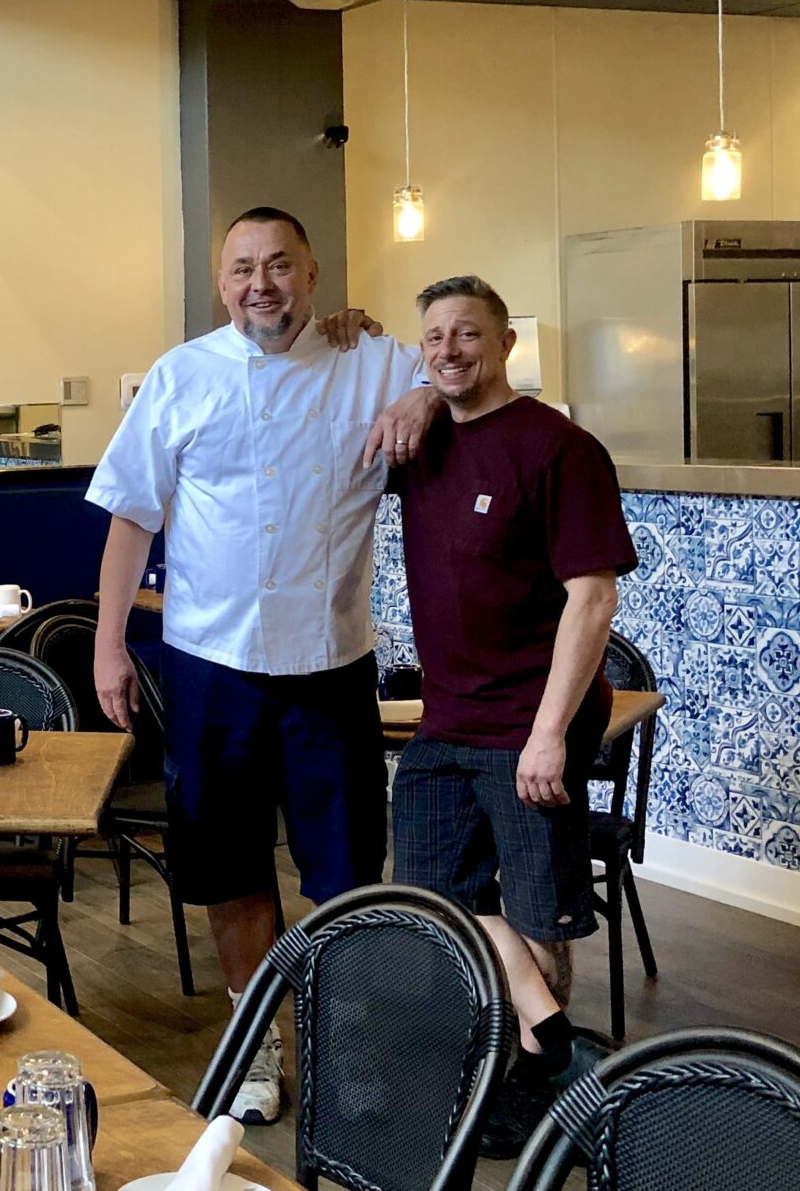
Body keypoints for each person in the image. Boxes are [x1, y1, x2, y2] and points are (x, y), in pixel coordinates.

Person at [87, 206, 439, 1124]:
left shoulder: (374, 363)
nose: (261, 285)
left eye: (280, 265)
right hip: (212, 664)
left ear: (312, 275)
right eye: (243, 269)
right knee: (228, 864)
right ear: (221, 284)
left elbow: (467, 370)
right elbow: (133, 515)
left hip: (330, 664)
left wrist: (424, 397)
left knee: (345, 871)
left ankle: (345, 1044)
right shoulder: (182, 375)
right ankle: (253, 1049)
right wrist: (109, 643)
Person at [387, 275, 637, 1156]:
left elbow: (593, 599)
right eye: (434, 338)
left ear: (505, 344)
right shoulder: (422, 443)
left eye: (467, 333)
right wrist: (417, 394)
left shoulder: (559, 448)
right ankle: (550, 1050)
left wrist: (548, 734)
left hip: (531, 726)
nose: (449, 350)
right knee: (433, 901)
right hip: (446, 722)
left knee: (539, 915)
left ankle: (535, 1089)